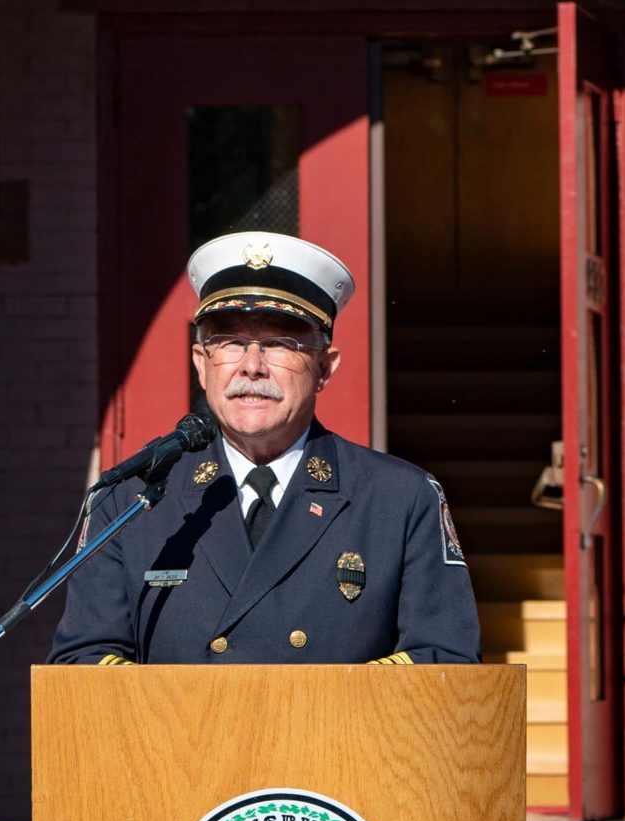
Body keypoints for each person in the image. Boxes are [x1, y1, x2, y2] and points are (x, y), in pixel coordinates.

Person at [49, 231, 480, 666]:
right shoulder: (129, 501)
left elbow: (446, 659)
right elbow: (82, 663)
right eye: (230, 343)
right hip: (182, 735)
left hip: (333, 735)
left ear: (324, 369)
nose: (251, 366)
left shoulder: (399, 499)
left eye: (280, 344)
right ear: (201, 364)